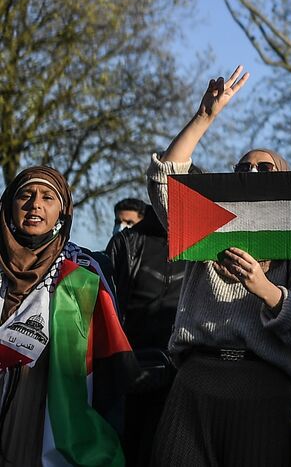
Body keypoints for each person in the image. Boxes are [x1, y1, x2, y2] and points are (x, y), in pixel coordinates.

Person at [147, 67, 291, 467]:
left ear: (284, 180)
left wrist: (264, 288)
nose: (251, 173)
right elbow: (164, 179)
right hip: (195, 382)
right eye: (243, 168)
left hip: (263, 390)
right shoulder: (205, 223)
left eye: (264, 168)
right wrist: (205, 116)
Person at [0, 166, 132, 465]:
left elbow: (108, 363)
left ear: (62, 211)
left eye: (48, 197)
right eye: (25, 195)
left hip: (45, 414)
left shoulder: (82, 272)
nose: (35, 204)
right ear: (9, 205)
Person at [106, 199, 188, 467]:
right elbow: (109, 311)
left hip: (184, 379)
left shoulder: (206, 246)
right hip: (130, 374)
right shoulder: (127, 243)